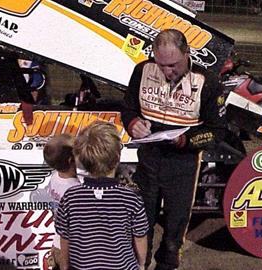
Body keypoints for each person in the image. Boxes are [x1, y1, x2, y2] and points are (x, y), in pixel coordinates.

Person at [121, 29, 227, 270]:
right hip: (147, 161)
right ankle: (138, 265)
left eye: (173, 65)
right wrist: (132, 123)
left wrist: (186, 140)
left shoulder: (207, 81)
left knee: (174, 230)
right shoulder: (142, 70)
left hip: (183, 166)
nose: (167, 71)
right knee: (139, 225)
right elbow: (127, 108)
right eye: (161, 64)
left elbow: (217, 131)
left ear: (187, 53)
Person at [54, 121, 149, 270]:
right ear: (117, 158)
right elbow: (140, 237)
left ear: (83, 160)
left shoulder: (70, 197)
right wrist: (142, 263)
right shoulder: (130, 199)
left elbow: (64, 238)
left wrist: (65, 266)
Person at [43, 134, 80, 270]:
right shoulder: (75, 189)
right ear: (72, 159)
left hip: (58, 243)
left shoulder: (54, 177)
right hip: (71, 250)